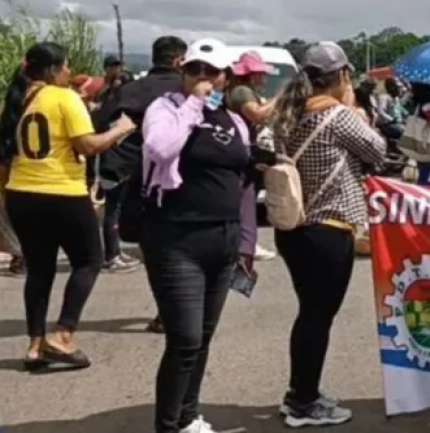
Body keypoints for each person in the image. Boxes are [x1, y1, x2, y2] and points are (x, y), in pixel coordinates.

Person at [0, 42, 136, 370]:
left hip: (21, 193)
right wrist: (120, 129)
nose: (69, 73)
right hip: (61, 192)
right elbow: (87, 145)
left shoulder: (14, 102)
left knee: (40, 268)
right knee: (90, 260)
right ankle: (63, 334)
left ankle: (34, 344)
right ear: (52, 70)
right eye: (66, 67)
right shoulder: (65, 98)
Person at [140, 38, 253, 433]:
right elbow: (160, 148)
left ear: (225, 77)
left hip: (222, 238)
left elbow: (242, 179)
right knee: (185, 338)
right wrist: (192, 104)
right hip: (175, 238)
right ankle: (168, 426)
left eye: (212, 71)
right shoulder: (166, 109)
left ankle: (188, 417)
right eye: (195, 70)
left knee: (202, 338)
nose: (203, 78)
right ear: (183, 72)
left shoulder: (233, 120)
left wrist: (246, 241)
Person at [271, 42, 386, 427]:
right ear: (341, 76)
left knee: (309, 314)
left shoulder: (288, 112)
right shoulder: (339, 115)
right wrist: (355, 108)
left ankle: (300, 391)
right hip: (329, 228)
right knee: (318, 317)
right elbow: (377, 151)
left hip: (295, 228)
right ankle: (303, 401)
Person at [97, 36, 187, 327]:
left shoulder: (130, 89)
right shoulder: (185, 90)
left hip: (135, 176)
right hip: (179, 176)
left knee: (153, 248)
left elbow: (98, 121)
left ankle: (165, 310)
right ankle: (179, 309)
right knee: (182, 245)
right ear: (179, 60)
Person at [226, 51, 279, 262]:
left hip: (242, 148)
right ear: (252, 75)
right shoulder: (242, 92)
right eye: (261, 73)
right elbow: (258, 114)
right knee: (246, 198)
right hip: (242, 150)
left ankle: (243, 242)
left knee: (245, 196)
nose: (264, 78)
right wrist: (279, 98)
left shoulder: (240, 90)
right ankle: (247, 245)